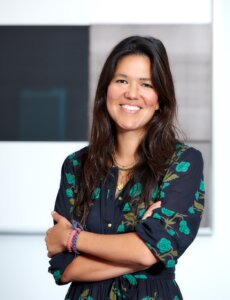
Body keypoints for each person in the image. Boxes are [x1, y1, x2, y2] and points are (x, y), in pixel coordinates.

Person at [45, 35, 205, 300]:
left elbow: (150, 250)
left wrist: (72, 239)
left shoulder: (183, 163)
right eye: (121, 81)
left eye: (146, 84)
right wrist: (143, 254)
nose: (131, 93)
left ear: (160, 99)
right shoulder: (76, 165)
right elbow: (63, 268)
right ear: (105, 90)